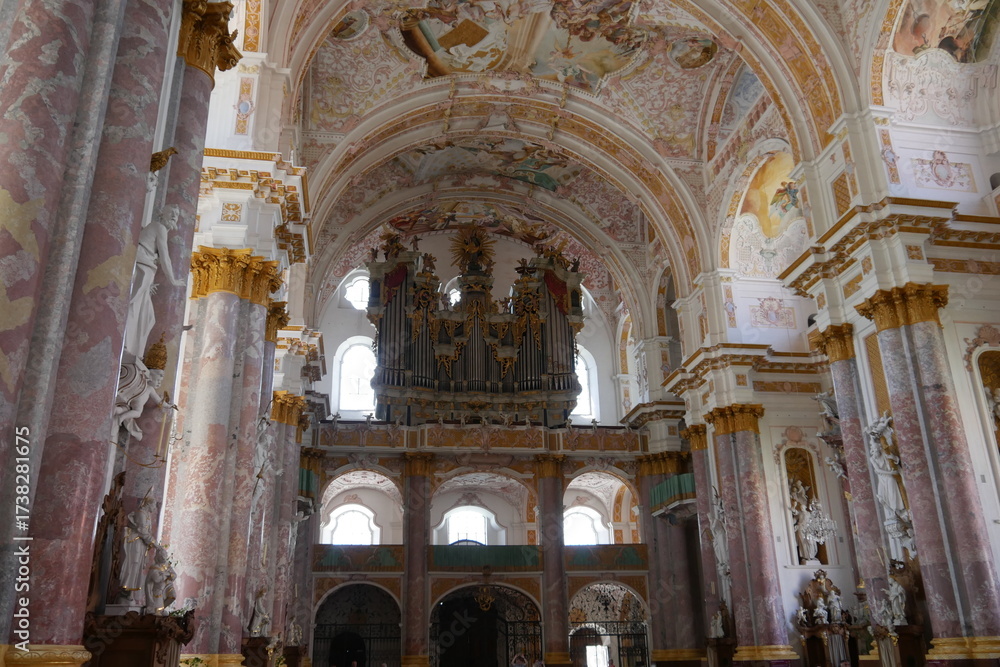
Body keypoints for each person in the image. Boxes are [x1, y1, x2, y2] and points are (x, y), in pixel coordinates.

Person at [124, 205, 186, 357]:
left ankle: (134, 351)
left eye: (176, 214)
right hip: (143, 267)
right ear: (161, 214)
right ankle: (124, 344)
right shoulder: (159, 227)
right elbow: (165, 257)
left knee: (149, 317)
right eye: (171, 212)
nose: (174, 216)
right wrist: (173, 280)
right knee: (132, 305)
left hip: (146, 268)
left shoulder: (157, 228)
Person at [120, 497, 155, 599]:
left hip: (141, 543)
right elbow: (142, 531)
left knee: (138, 566)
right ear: (148, 504)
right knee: (133, 564)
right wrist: (154, 543)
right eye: (153, 504)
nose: (154, 507)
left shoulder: (147, 515)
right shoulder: (141, 513)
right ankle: (125, 589)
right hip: (135, 541)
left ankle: (131, 591)